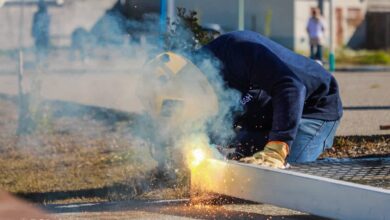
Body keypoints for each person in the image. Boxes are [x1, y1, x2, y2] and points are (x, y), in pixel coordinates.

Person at [146, 30, 343, 169]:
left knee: (285, 177)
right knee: (237, 170)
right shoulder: (192, 89)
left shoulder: (237, 48)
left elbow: (291, 87)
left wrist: (278, 146)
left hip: (313, 107)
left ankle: (331, 168)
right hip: (266, 117)